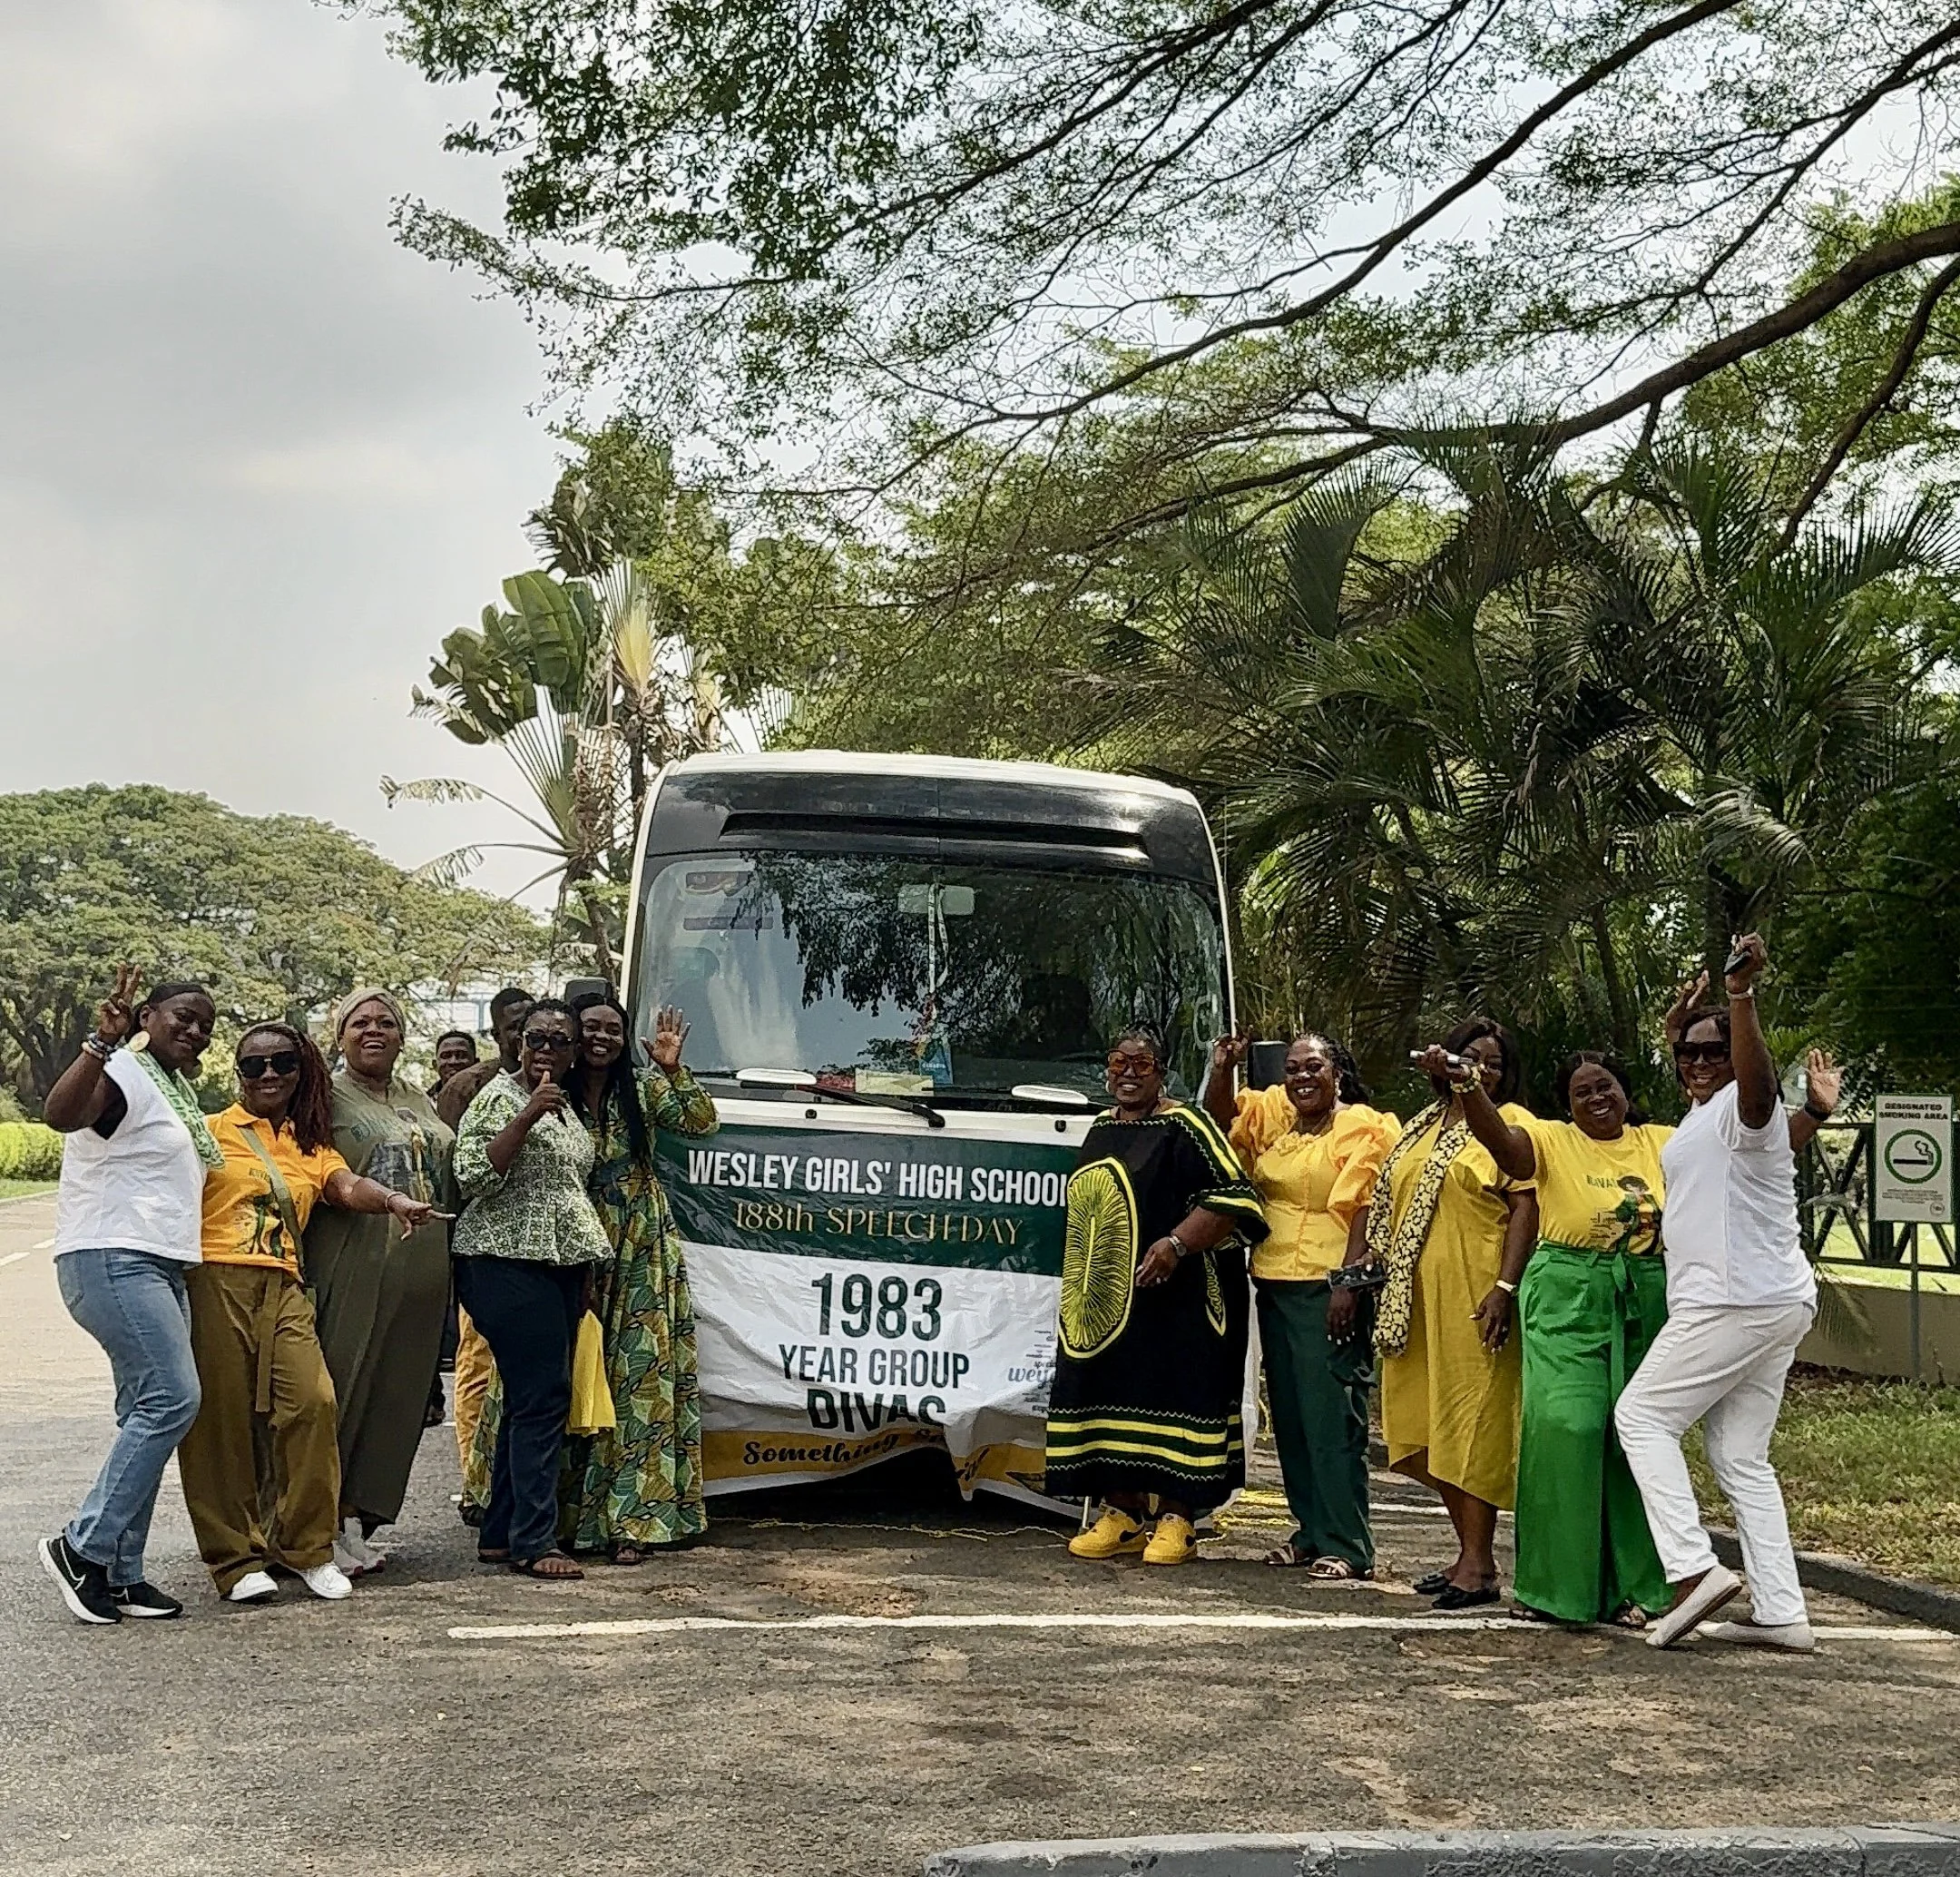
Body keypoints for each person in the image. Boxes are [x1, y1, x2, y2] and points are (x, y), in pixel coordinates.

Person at [1614, 936, 1828, 1652]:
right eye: (1689, 1054)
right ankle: (1781, 1611)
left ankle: (1691, 1571)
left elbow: (1760, 1090)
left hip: (1732, 1299)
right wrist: (1681, 1033)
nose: (1701, 1062)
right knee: (1740, 1456)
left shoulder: (1744, 1101)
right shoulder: (1710, 1117)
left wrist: (1740, 999)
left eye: (1714, 1052)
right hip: (1774, 1299)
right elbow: (1770, 1142)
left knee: (1642, 1417)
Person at [177, 1025, 440, 1605]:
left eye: (282, 1063)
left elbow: (344, 1186)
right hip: (215, 1278)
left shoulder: (309, 1142)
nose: (269, 1074)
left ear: (301, 1072)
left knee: (314, 1403)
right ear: (238, 1074)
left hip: (285, 1285)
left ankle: (307, 1547)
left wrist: (394, 1201)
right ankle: (234, 1559)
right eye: (255, 1065)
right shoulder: (207, 1132)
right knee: (221, 1422)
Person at [1046, 1025, 1269, 1566]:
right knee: (1105, 1392)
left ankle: (1177, 1519)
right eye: (1118, 1061)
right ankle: (1121, 1514)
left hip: (1182, 1300)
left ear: (1160, 1072)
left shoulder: (1185, 1125)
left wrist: (1175, 1244)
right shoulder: (1101, 1128)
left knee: (1178, 1393)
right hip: (1111, 1303)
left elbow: (1233, 1197)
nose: (1127, 1072)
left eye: (1141, 1064)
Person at [38, 970, 220, 1624]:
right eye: (183, 1016)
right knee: (173, 1397)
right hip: (112, 1256)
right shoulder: (125, 1072)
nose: (195, 1030)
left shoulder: (174, 1091)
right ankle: (83, 1547)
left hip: (161, 1264)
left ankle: (119, 1571)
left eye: (206, 1023)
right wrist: (98, 1043)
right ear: (147, 1015)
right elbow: (60, 1117)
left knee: (144, 1409)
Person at [1344, 1019, 1536, 1609]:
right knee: (1423, 1432)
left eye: (1494, 1062)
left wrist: (1505, 1285)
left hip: (1474, 1301)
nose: (1481, 1068)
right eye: (1468, 1056)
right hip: (1416, 1303)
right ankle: (1465, 1553)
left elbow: (1525, 1206)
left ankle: (1479, 1567)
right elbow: (1386, 1203)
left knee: (1468, 1431)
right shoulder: (1422, 1127)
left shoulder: (1514, 1125)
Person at [1205, 1030, 1398, 1577]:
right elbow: (1224, 1120)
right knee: (1291, 1419)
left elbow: (1365, 1203)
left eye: (1313, 1067)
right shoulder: (1277, 1118)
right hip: (1273, 1281)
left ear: (1337, 1071)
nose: (1302, 1078)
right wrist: (1223, 1067)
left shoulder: (1365, 1126)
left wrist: (1349, 1280)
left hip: (1329, 1287)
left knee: (1333, 1417)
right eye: (1292, 1069)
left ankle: (1348, 1545)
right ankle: (1309, 1533)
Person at [453, 997, 613, 1578]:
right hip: (504, 1264)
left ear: (575, 1052)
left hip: (561, 1267)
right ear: (519, 1043)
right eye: (535, 1038)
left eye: (558, 1040)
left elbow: (569, 1193)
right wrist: (525, 1118)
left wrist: (586, 1274)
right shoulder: (498, 1098)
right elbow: (471, 1177)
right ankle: (535, 1541)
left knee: (530, 1400)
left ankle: (501, 1533)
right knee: (543, 1401)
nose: (545, 1049)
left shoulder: (567, 1107)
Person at [305, 988, 456, 1577]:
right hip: (354, 1262)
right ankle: (315, 1522)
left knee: (396, 1400)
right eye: (360, 1023)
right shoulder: (323, 1097)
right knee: (345, 1391)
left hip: (422, 1271)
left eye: (386, 1022)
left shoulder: (418, 1096)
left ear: (401, 1034)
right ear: (340, 1036)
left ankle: (355, 1521)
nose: (374, 1031)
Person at [563, 992, 719, 1560]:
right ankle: (560, 1514)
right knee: (567, 1371)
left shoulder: (645, 1087)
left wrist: (672, 1067)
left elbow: (703, 1122)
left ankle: (636, 1519)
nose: (601, 1037)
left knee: (639, 1376)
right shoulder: (552, 1091)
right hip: (571, 1237)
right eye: (590, 1027)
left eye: (612, 1028)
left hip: (638, 1242)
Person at [441, 987, 533, 1518]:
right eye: (512, 1027)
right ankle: (475, 1481)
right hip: (482, 1243)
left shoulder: (552, 1080)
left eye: (531, 1025)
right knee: (476, 1363)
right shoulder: (470, 1087)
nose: (522, 1035)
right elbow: (457, 1169)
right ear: (496, 1035)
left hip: (542, 1253)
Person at [429, 1029, 480, 1096]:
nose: (453, 1062)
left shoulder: (489, 1099)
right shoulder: (423, 1102)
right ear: (435, 1065)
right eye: (446, 1056)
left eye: (461, 1055)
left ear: (476, 1063)